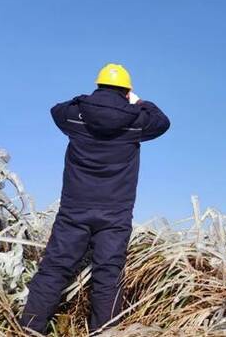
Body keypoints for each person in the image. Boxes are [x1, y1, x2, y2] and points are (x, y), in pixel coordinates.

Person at [19, 63, 170, 333]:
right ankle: (103, 332)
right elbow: (162, 122)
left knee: (54, 270)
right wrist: (140, 102)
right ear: (127, 92)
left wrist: (83, 100)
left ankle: (29, 330)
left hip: (74, 210)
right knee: (108, 276)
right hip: (116, 214)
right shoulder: (137, 121)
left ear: (97, 87)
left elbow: (56, 110)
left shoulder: (76, 116)